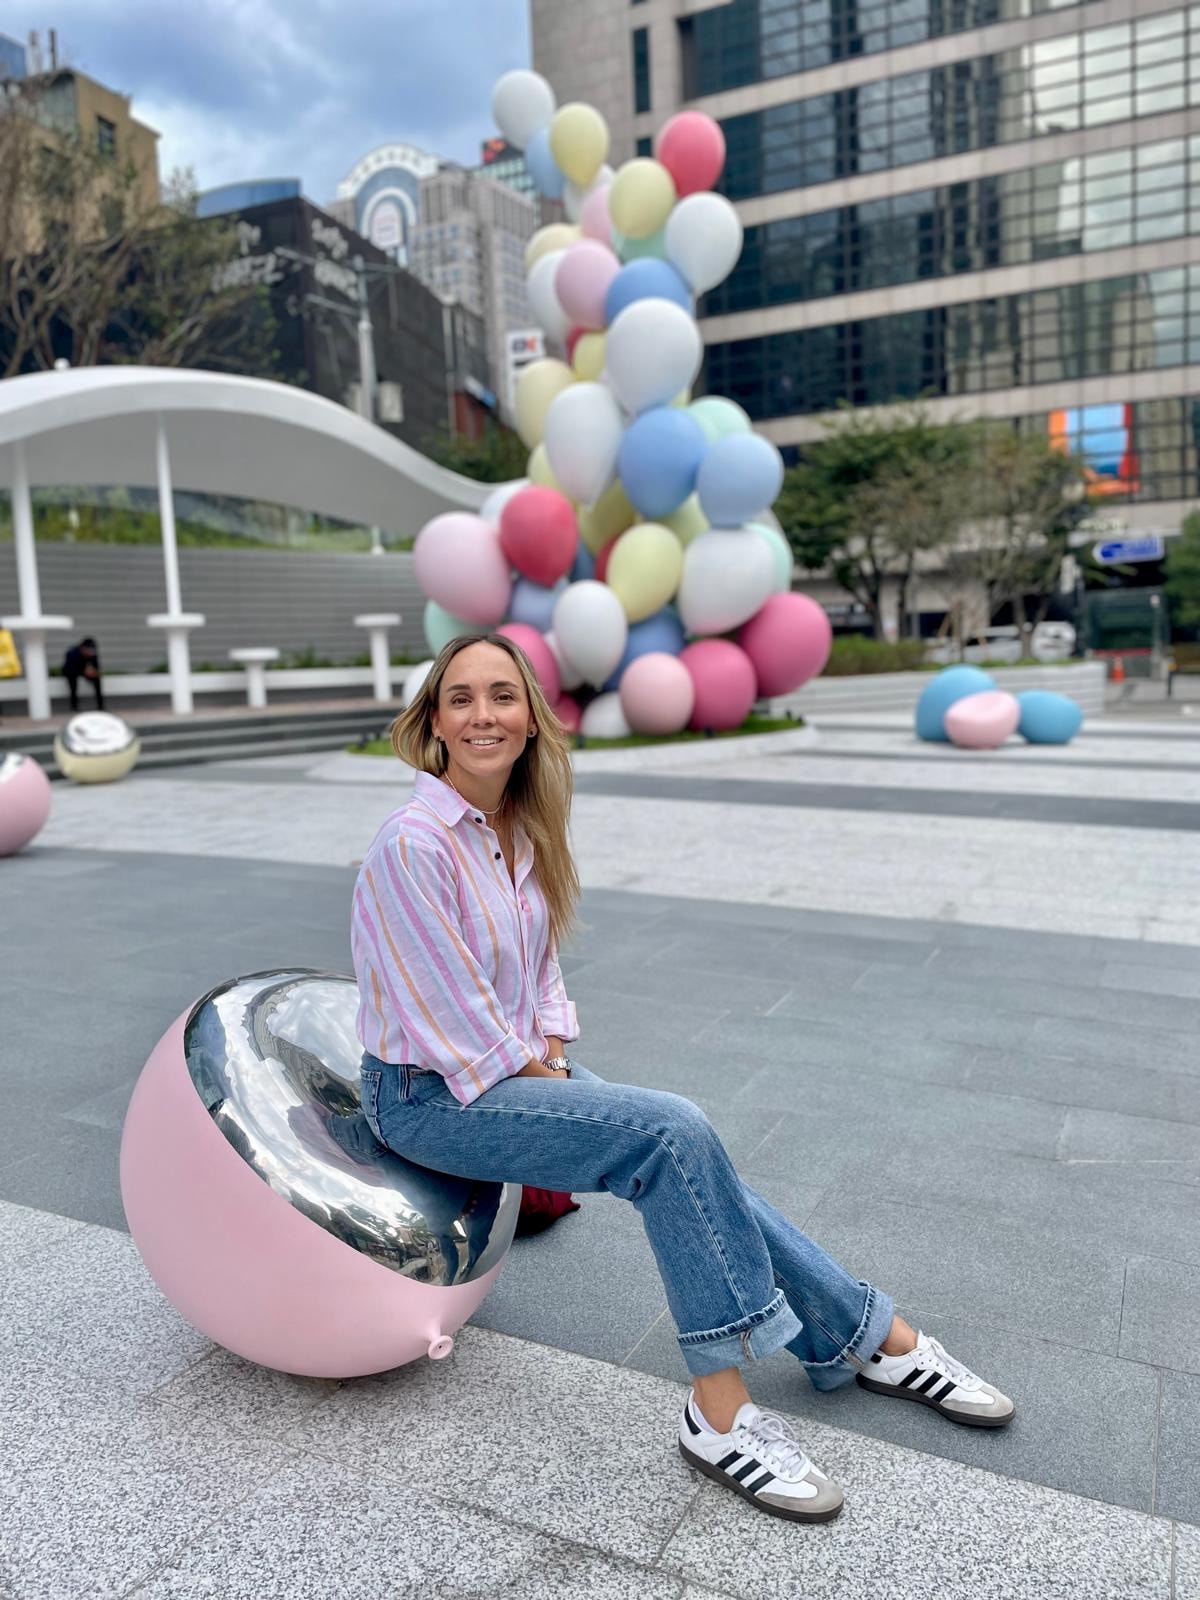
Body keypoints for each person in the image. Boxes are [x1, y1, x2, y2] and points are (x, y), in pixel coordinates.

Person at [351, 634, 1014, 1525]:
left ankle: (866, 1336)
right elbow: (455, 1020)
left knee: (693, 1163)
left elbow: (539, 977)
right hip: (428, 1097)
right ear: (434, 721)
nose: (483, 715)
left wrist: (556, 1056)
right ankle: (722, 1412)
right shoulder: (414, 845)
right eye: (461, 698)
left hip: (508, 1069)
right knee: (670, 1136)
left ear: (531, 719)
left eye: (503, 696)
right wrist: (550, 1075)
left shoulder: (517, 830)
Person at [62, 636, 103, 713]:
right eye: (88, 649)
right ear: (83, 647)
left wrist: (94, 672)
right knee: (73, 681)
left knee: (97, 679)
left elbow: (96, 667)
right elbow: (70, 668)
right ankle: (74, 705)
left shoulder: (93, 654)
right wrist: (84, 671)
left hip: (85, 671)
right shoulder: (72, 653)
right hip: (72, 672)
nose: (90, 652)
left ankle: (100, 705)